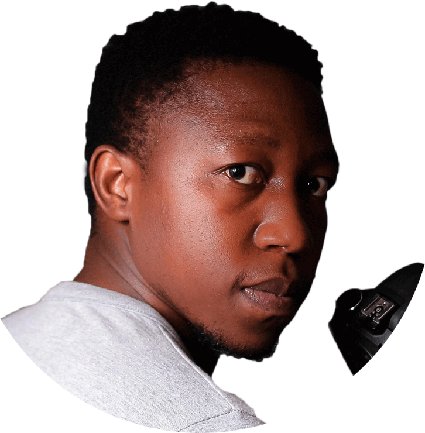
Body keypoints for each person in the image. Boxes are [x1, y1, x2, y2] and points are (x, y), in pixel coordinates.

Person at [2, 3, 340, 431]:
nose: (294, 234)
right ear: (117, 185)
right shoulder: (206, 423)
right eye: (240, 173)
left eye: (314, 184)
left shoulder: (17, 341)